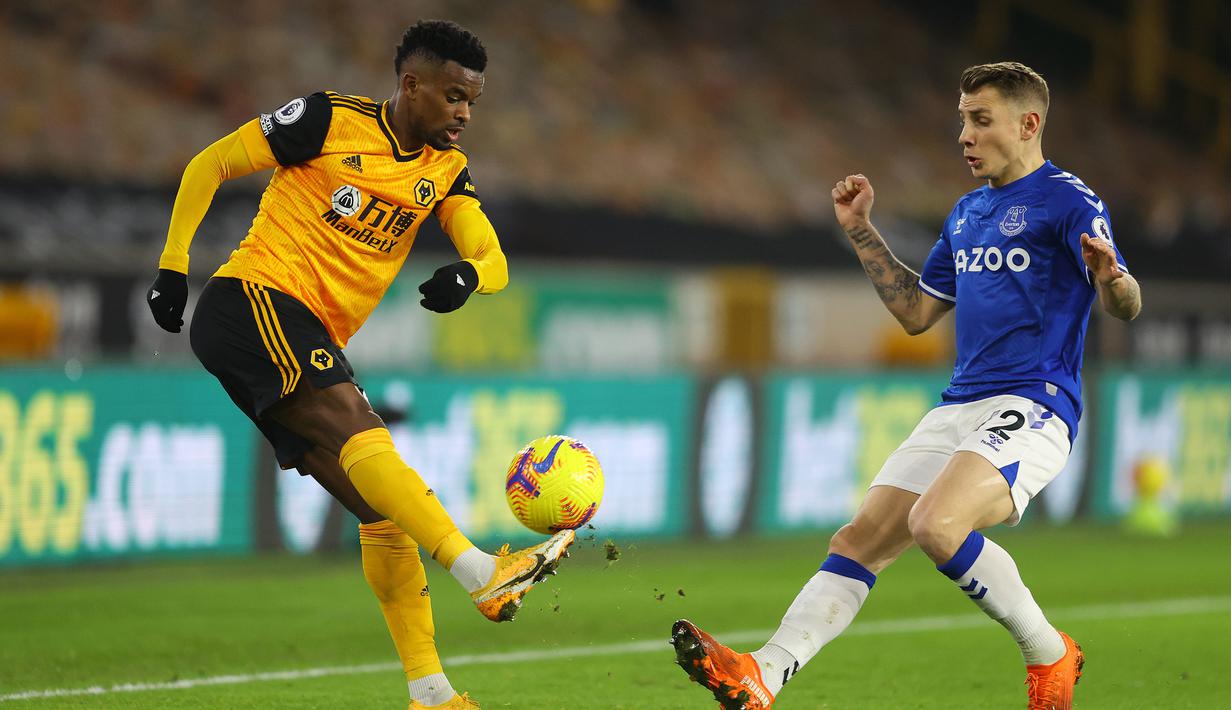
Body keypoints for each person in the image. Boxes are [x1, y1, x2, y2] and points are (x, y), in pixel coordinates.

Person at [670, 61, 1141, 709]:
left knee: (935, 525)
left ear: (1027, 124)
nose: (963, 135)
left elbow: (1125, 305)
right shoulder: (967, 212)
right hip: (959, 404)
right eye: (961, 121)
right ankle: (764, 673)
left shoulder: (1069, 201)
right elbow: (915, 313)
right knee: (859, 541)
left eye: (980, 120)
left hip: (1034, 404)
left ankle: (1049, 654)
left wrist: (1113, 279)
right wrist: (861, 230)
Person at [145, 20, 574, 710]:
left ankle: (431, 695)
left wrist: (470, 276)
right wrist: (172, 266)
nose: (465, 113)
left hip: (296, 328)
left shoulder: (444, 171)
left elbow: (488, 252)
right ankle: (479, 572)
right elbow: (211, 164)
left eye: (473, 102)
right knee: (357, 426)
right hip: (255, 299)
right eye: (454, 96)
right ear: (411, 86)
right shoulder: (326, 119)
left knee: (383, 513)